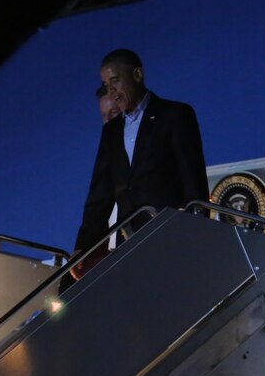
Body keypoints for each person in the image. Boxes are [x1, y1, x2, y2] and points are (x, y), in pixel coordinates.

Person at [70, 49, 208, 279]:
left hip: (170, 237)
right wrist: (83, 246)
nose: (111, 91)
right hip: (130, 243)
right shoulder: (111, 132)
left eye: (115, 81)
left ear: (137, 74)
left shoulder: (174, 115)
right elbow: (99, 195)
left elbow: (193, 180)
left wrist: (197, 235)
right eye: (106, 84)